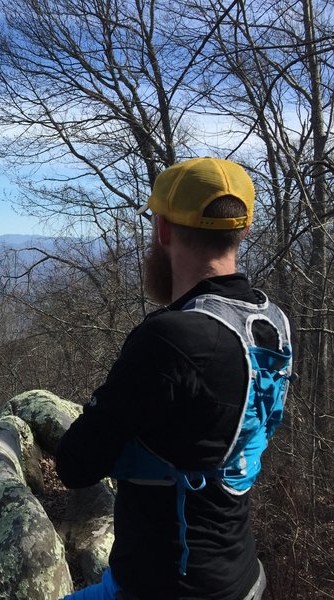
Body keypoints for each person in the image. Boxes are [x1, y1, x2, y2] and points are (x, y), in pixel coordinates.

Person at [55, 157, 294, 600]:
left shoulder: (170, 338)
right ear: (242, 231)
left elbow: (75, 464)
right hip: (240, 574)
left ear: (162, 230)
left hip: (168, 587)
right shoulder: (270, 321)